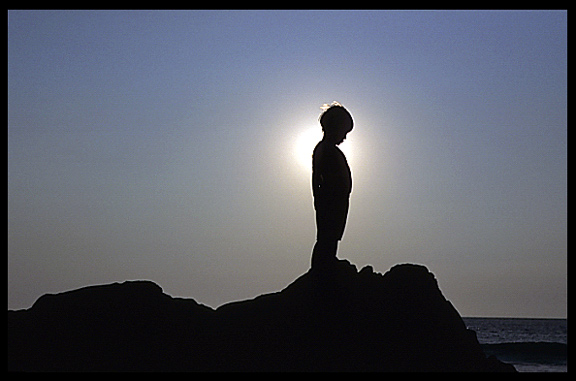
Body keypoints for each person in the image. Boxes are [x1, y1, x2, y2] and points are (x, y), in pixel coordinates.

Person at [311, 102, 353, 271]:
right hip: (330, 200)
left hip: (338, 201)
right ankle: (322, 267)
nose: (344, 137)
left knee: (332, 236)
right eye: (343, 132)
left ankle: (329, 261)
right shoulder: (324, 150)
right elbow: (316, 177)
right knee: (327, 236)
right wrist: (319, 199)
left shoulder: (330, 150)